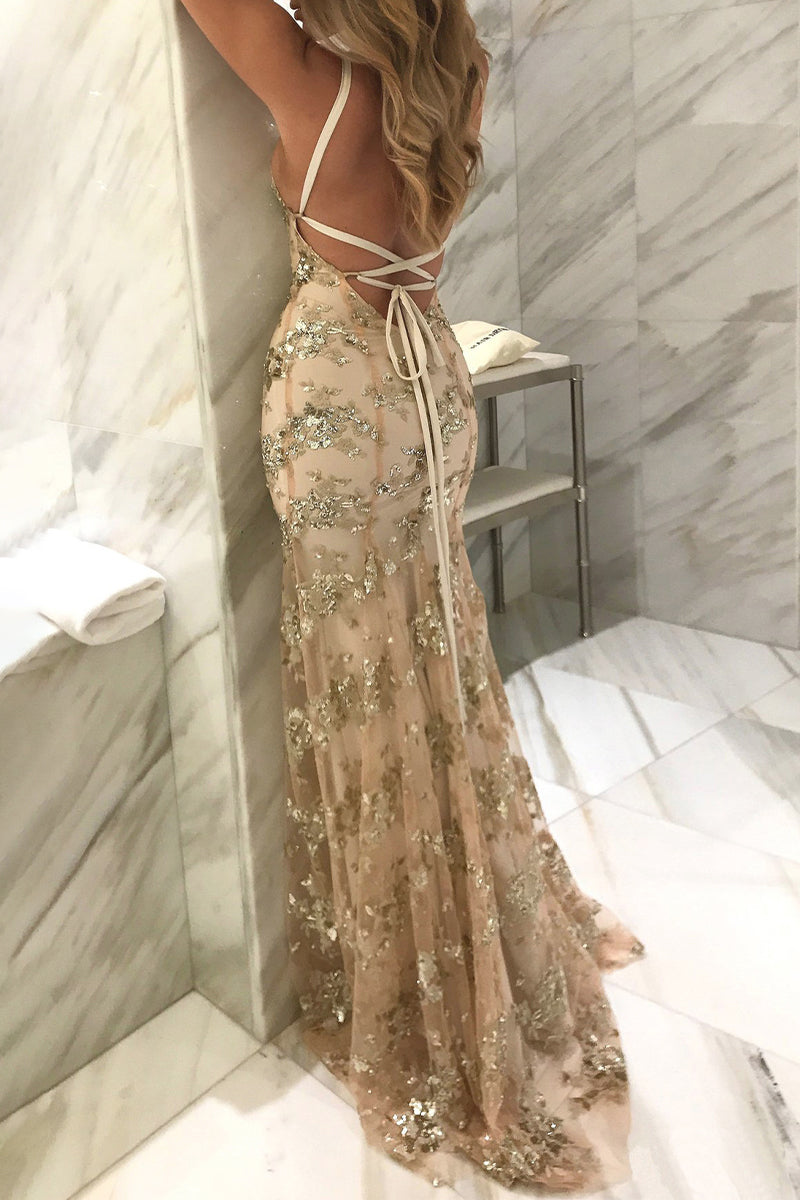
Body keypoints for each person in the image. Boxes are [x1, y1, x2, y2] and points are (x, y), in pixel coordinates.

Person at [178, 0, 647, 1189]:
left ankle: (417, 981)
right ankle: (473, 924)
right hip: (430, 383)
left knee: (368, 690)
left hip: (342, 390)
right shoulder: (461, 71)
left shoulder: (316, 80)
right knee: (437, 662)